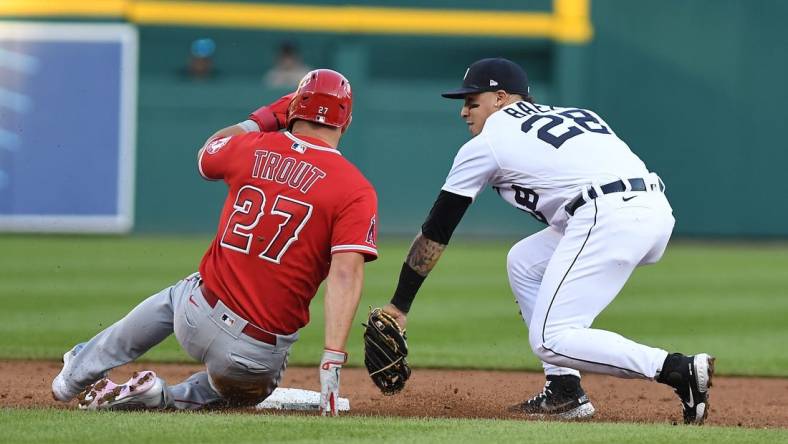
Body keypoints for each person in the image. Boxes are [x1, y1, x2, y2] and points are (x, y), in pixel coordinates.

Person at [378, 58, 714, 424]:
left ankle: (675, 369)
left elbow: (437, 229)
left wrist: (400, 304)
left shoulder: (489, 141)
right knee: (524, 261)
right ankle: (564, 391)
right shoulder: (579, 114)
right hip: (653, 210)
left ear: (501, 98)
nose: (463, 112)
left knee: (550, 338)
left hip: (606, 214)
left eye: (472, 102)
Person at [51, 69, 378, 416]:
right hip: (254, 357)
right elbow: (345, 275)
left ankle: (75, 374)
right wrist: (331, 361)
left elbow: (207, 153)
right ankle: (162, 396)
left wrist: (261, 120)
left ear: (294, 108)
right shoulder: (356, 190)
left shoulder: (252, 145)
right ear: (348, 121)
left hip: (196, 315)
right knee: (241, 394)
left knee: (177, 295)